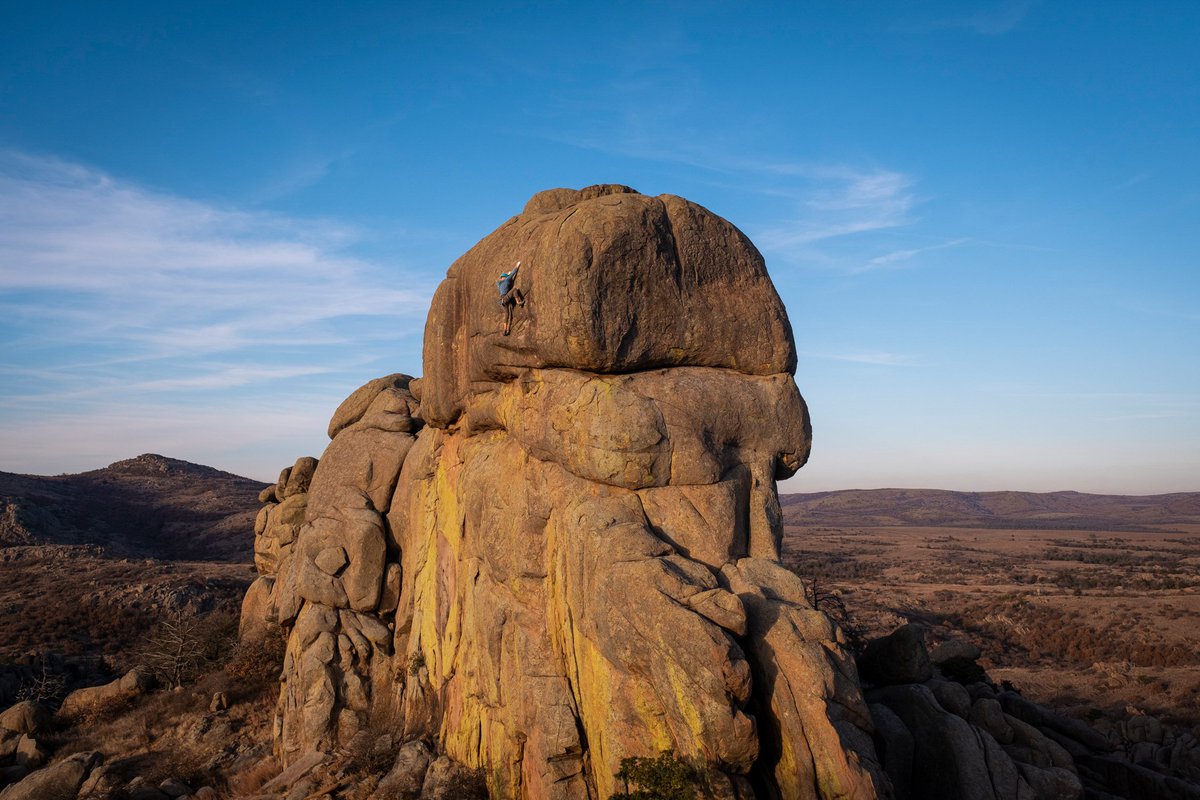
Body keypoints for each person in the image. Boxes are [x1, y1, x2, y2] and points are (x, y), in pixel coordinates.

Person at [496, 260, 526, 335]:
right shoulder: (507, 280)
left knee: (507, 315)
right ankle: (518, 301)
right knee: (514, 289)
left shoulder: (499, 284)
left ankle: (505, 330)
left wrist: (507, 275)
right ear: (505, 277)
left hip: (501, 301)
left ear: (501, 277)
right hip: (506, 298)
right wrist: (517, 265)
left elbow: (500, 282)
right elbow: (513, 273)